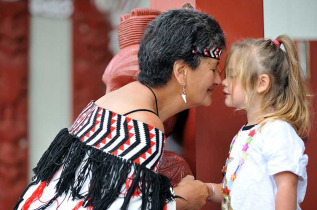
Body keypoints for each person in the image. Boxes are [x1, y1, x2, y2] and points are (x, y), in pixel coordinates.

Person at [15, 8, 225, 210]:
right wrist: (181, 201)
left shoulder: (106, 104)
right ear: (181, 71)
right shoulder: (143, 125)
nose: (218, 79)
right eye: (213, 69)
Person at [207, 35, 310, 209]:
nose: (224, 82)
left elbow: (286, 186)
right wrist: (207, 190)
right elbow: (234, 192)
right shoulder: (245, 133)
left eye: (232, 76)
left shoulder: (277, 130)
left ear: (261, 83)